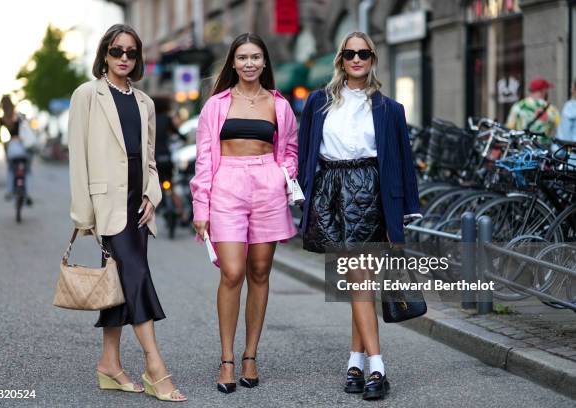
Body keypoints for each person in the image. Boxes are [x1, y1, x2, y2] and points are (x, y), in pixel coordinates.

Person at [297, 31, 421, 400]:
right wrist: (303, 197)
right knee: (359, 282)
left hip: (370, 190)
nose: (356, 59)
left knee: (359, 281)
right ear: (340, 58)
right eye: (350, 53)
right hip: (332, 191)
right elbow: (306, 154)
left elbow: (402, 162)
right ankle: (357, 363)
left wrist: (405, 212)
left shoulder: (390, 109)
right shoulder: (318, 102)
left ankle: (372, 367)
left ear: (372, 59)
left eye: (363, 53)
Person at [68, 24, 186, 402]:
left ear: (137, 59)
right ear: (105, 53)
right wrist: (84, 216)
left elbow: (149, 159)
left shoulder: (145, 103)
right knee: (135, 276)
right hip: (107, 205)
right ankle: (155, 367)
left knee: (119, 283)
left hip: (138, 203)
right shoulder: (87, 95)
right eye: (117, 51)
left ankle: (109, 364)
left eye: (131, 52)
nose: (123, 58)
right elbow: (78, 159)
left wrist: (153, 195)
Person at [190, 32, 298, 394]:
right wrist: (200, 206)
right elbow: (204, 159)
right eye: (242, 58)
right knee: (232, 271)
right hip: (226, 186)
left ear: (265, 62)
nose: (249, 63)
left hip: (267, 186)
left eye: (255, 57)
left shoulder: (279, 105)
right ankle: (227, 359)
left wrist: (282, 175)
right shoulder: (216, 105)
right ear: (232, 63)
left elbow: (291, 150)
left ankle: (250, 354)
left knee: (260, 271)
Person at [505, 76, 560, 146]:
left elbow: (509, 128)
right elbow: (562, 129)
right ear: (543, 91)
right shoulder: (552, 109)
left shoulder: (518, 106)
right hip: (543, 151)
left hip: (523, 149)